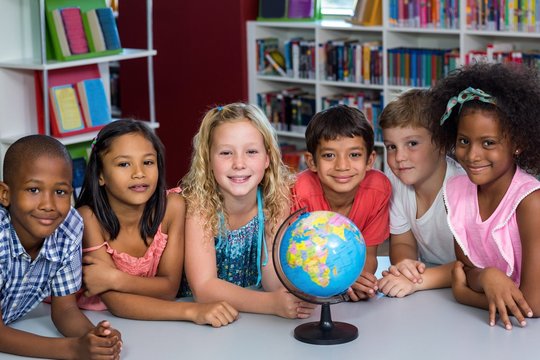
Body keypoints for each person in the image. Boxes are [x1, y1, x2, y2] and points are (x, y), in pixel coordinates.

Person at [76, 120, 237, 327]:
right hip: (97, 320)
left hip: (151, 320)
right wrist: (193, 311)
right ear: (100, 175)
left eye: (148, 162)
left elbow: (169, 288)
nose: (139, 173)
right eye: (124, 164)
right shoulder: (88, 219)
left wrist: (114, 279)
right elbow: (116, 302)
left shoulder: (172, 207)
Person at [430, 63, 540, 330]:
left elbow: (533, 305)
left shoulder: (531, 203)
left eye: (488, 143)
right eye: (464, 141)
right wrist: (488, 277)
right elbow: (465, 269)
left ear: (518, 144)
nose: (472, 155)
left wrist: (466, 296)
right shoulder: (456, 192)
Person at [181, 103, 316, 318]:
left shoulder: (274, 198)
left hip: (248, 318)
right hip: (200, 319)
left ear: (267, 158)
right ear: (208, 160)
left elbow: (271, 271)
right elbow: (203, 287)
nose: (239, 164)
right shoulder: (199, 204)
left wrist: (291, 294)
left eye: (251, 151)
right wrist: (272, 304)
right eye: (226, 153)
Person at [0, 135, 122, 359]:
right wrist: (75, 350)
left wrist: (95, 338)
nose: (48, 205)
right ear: (5, 194)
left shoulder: (69, 227)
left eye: (60, 192)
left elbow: (65, 310)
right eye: (34, 190)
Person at [291, 104, 391, 301]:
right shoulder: (298, 192)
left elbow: (368, 256)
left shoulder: (378, 189)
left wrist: (359, 281)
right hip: (304, 291)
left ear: (370, 160)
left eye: (354, 155)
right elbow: (290, 259)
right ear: (311, 162)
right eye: (329, 155)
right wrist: (342, 282)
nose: (342, 166)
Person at [377, 89, 463, 297]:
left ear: (442, 144)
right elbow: (402, 242)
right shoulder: (395, 180)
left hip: (463, 283)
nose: (399, 157)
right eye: (391, 147)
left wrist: (417, 281)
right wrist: (406, 266)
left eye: (412, 144)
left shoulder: (462, 186)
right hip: (431, 285)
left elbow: (474, 264)